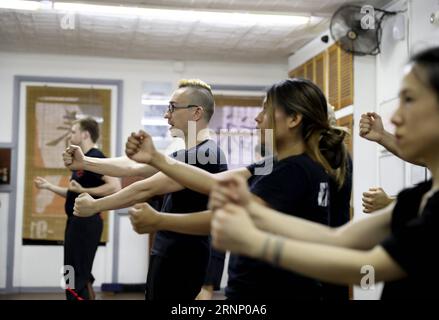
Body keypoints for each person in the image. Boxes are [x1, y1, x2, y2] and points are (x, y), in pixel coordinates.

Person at [209, 47, 439, 299]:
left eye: (409, 99)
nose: (395, 117)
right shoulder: (418, 197)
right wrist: (251, 211)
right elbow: (340, 239)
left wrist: (257, 242)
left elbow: (368, 267)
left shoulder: (298, 167)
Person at [125, 78, 350, 300]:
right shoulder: (282, 165)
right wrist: (157, 159)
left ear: (293, 119)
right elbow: (215, 181)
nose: (258, 117)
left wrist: (160, 220)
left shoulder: (294, 171)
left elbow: (231, 218)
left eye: (266, 109)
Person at [66, 79, 228, 300]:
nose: (166, 115)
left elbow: (145, 189)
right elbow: (134, 166)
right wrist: (85, 162)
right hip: (170, 251)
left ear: (196, 113)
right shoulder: (189, 153)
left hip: (183, 256)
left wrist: (96, 205)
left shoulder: (206, 154)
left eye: (173, 107)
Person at [34, 117, 121, 300]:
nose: (70, 135)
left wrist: (84, 190)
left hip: (87, 222)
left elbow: (114, 186)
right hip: (75, 221)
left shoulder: (95, 158)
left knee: (77, 274)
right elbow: (74, 193)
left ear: (85, 134)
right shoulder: (81, 161)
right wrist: (48, 186)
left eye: (73, 131)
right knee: (71, 271)